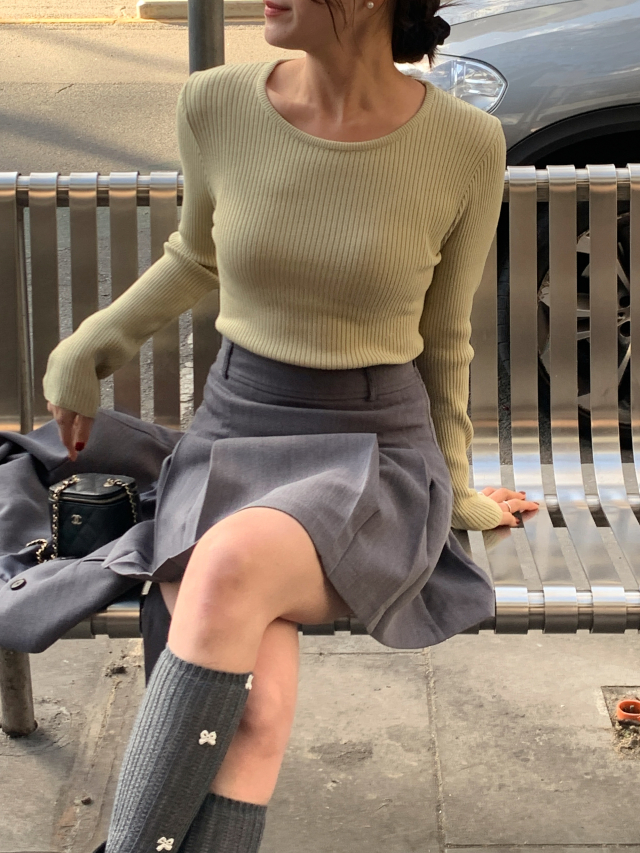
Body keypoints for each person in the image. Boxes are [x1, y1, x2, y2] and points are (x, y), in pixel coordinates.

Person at [42, 0, 539, 849]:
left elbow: (446, 334)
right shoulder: (215, 102)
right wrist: (91, 345)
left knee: (228, 564)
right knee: (253, 711)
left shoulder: (464, 142)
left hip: (372, 448)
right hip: (234, 430)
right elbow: (196, 254)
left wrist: (456, 489)